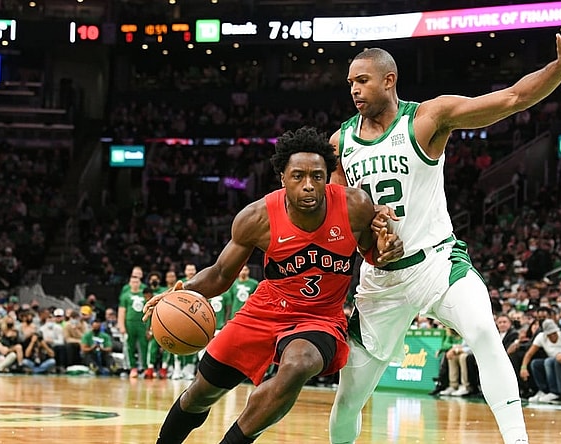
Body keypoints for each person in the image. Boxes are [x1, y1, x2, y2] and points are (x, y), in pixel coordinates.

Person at [327, 15, 561, 444]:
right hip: (381, 279)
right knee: (348, 399)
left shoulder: (427, 118)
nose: (354, 90)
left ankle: (518, 440)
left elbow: (512, 98)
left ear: (389, 80)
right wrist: (369, 238)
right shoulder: (340, 142)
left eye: (362, 81)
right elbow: (340, 216)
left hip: (437, 263)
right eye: (350, 83)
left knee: (484, 332)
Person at [142, 126, 403, 444]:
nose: (308, 185)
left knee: (299, 364)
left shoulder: (354, 206)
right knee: (201, 393)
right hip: (264, 311)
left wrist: (385, 251)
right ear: (282, 178)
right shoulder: (257, 218)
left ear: (327, 177)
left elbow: (371, 252)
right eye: (298, 176)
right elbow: (221, 274)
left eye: (317, 176)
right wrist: (181, 293)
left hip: (320, 318)